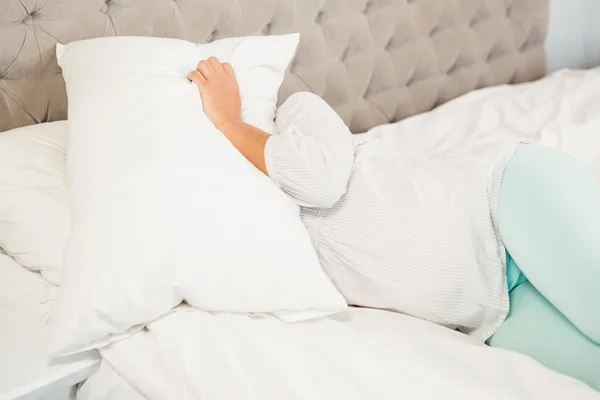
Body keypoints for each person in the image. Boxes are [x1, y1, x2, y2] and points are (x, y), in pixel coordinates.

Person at [188, 58, 600, 387]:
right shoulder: (255, 231)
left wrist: (230, 123)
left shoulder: (297, 113)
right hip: (492, 312)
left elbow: (319, 181)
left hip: (504, 200)